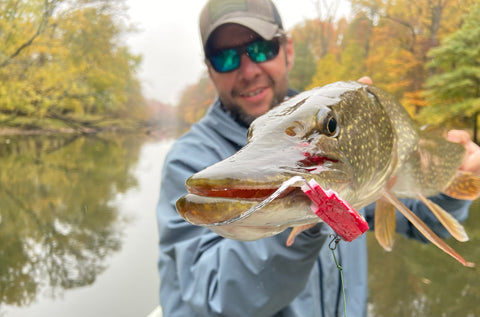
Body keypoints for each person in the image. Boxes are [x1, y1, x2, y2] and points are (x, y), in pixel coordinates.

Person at [156, 0, 480, 316]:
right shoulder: (189, 160)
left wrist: (458, 177)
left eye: (261, 48)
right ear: (210, 70)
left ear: (288, 49)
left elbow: (422, 216)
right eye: (225, 57)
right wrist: (307, 214)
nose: (248, 70)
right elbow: (212, 297)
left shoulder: (347, 136)